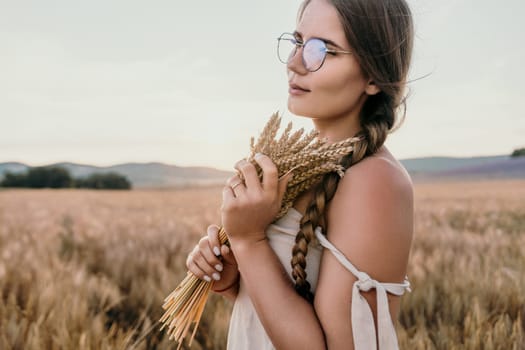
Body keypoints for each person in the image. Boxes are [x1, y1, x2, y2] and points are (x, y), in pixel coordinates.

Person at [186, 0, 414, 348]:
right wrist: (237, 283)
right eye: (297, 41)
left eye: (322, 50)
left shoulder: (374, 182)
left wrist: (249, 241)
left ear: (372, 75)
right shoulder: (304, 164)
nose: (294, 63)